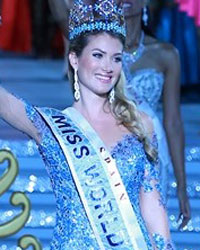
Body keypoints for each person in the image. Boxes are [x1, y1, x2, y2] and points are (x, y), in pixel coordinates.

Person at [0, 0, 175, 248]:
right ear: (74, 59)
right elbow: (4, 102)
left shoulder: (139, 123)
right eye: (97, 55)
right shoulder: (51, 125)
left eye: (116, 58)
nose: (108, 67)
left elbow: (153, 206)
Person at [121, 0, 190, 229]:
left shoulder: (166, 54)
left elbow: (173, 123)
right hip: (110, 152)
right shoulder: (97, 52)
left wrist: (181, 185)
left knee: (149, 232)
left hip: (151, 153)